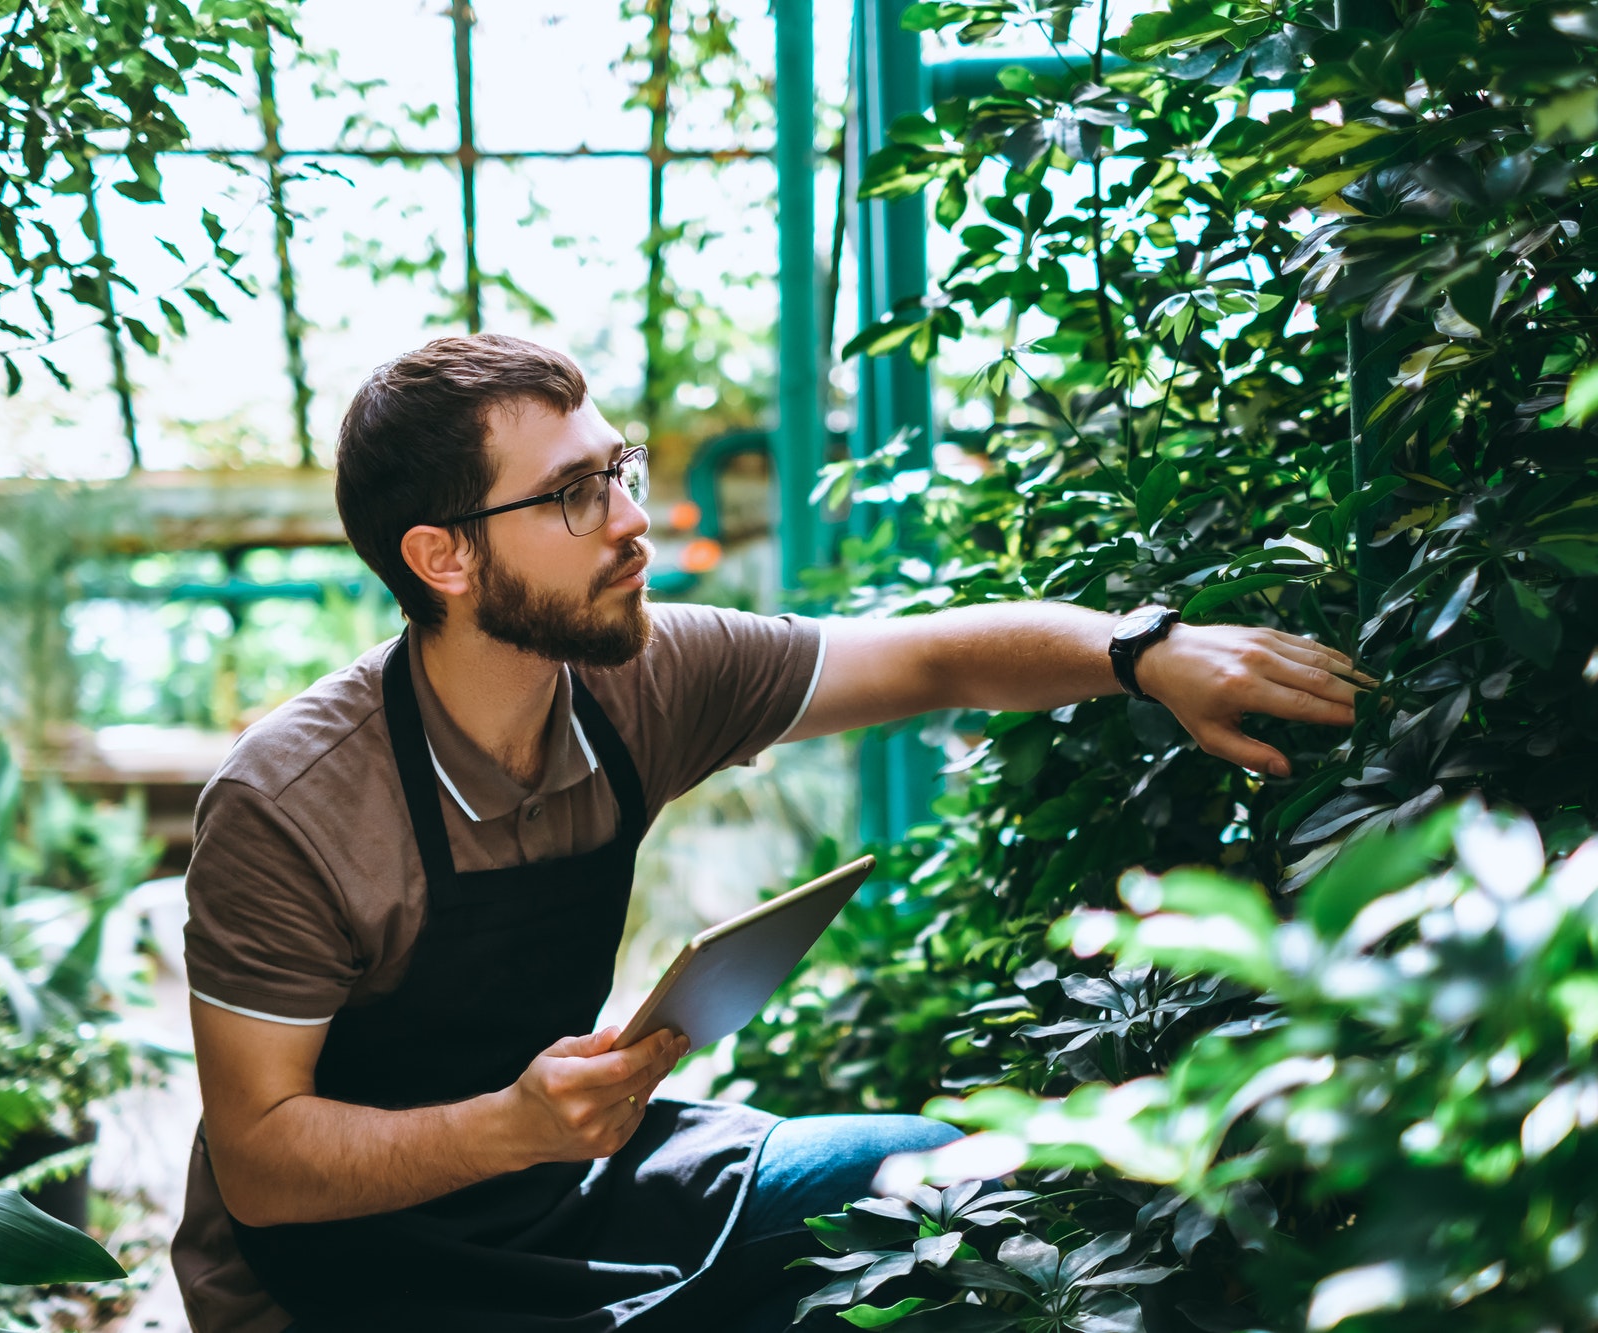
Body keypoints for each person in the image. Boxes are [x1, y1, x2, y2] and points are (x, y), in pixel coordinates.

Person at [171, 335, 1362, 1332]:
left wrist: (1142, 651)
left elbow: (934, 655)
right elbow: (265, 1165)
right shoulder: (295, 804)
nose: (632, 520)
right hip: (329, 1275)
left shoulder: (642, 673)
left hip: (559, 1176)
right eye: (575, 495)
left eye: (618, 469)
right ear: (443, 557)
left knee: (939, 1185)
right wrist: (508, 1126)